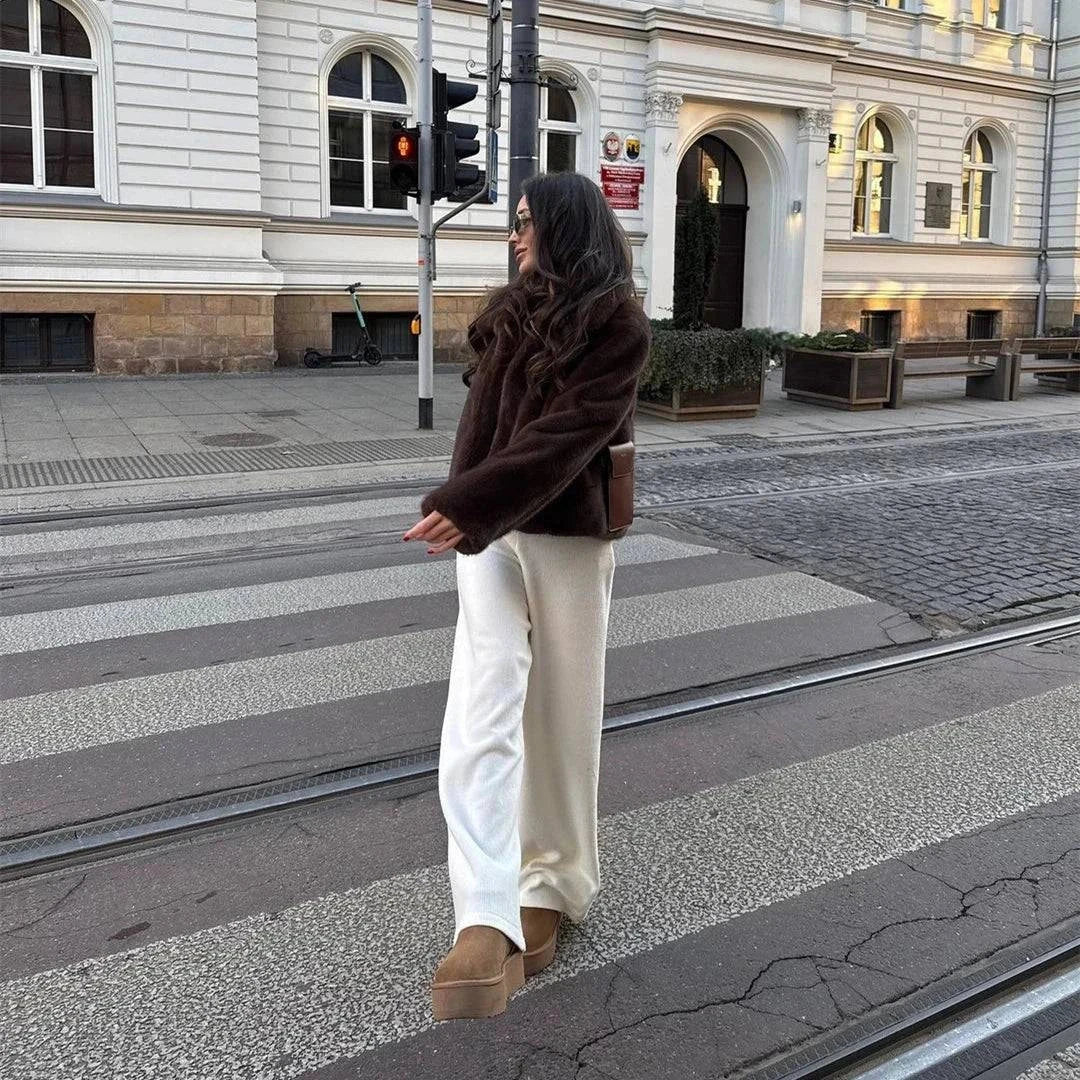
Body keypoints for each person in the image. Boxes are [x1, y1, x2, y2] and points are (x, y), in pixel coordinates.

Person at [403, 171, 651, 1021]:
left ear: (565, 227)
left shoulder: (617, 322)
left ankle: (554, 879)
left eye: (525, 224)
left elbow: (569, 435)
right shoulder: (511, 312)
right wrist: (462, 502)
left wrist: (467, 501)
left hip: (566, 539)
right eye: (513, 223)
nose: (515, 237)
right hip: (489, 536)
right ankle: (483, 911)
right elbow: (481, 433)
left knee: (559, 716)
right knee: (480, 712)